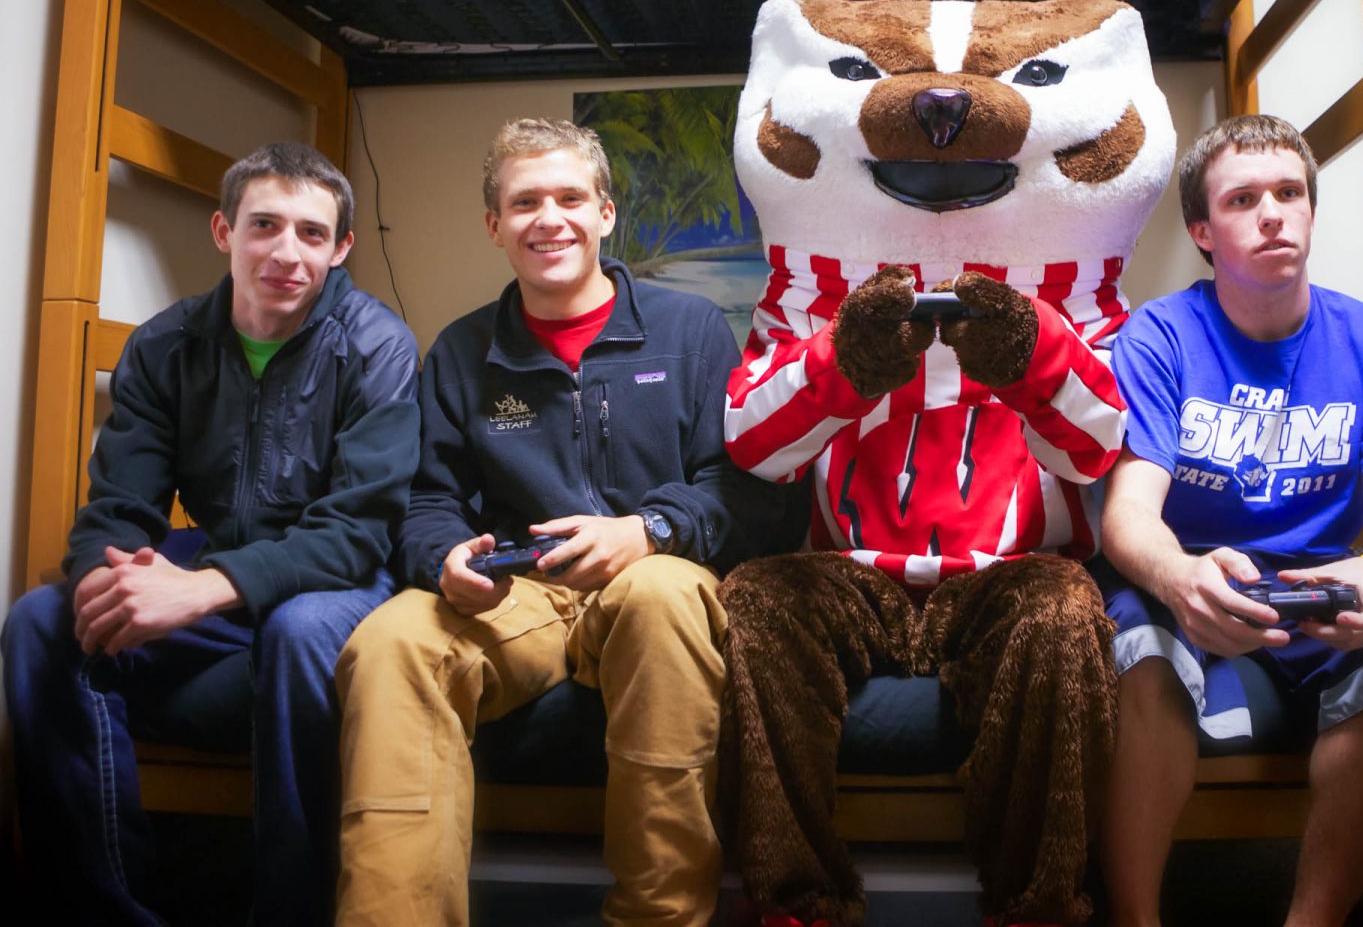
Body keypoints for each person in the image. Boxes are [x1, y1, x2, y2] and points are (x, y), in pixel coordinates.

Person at [334, 117, 792, 927]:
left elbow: (746, 489)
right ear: (495, 227)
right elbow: (428, 500)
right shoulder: (462, 351)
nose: (550, 218)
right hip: (523, 590)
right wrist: (444, 559)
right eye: (524, 203)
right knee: (391, 640)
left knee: (662, 598)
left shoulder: (689, 332)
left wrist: (647, 529)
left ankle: (659, 916)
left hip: (655, 574)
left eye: (570, 198)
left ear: (606, 213)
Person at [2, 142, 420, 926]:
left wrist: (201, 589)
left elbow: (360, 531)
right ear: (225, 231)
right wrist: (105, 579)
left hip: (333, 587)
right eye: (265, 225)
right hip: (221, 579)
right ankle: (106, 909)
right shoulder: (165, 346)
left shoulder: (376, 346)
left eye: (310, 233)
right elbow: (121, 503)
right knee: (39, 622)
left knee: (297, 632)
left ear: (341, 249)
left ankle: (288, 911)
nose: (287, 253)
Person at [1099, 114, 1363, 926]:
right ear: (1202, 230)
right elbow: (1127, 514)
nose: (1272, 212)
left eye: (1289, 193)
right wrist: (1178, 576)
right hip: (1200, 591)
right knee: (1133, 641)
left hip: (1321, 590)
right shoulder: (1158, 337)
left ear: (1309, 208)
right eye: (1243, 199)